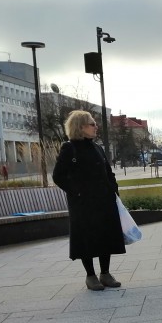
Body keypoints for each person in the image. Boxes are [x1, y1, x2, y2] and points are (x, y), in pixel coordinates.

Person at [52, 110, 124, 291]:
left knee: (106, 235)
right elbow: (58, 176)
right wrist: (77, 192)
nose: (96, 126)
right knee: (87, 238)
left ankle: (105, 273)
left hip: (104, 200)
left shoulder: (97, 147)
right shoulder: (70, 148)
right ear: (81, 127)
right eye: (92, 124)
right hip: (83, 204)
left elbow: (108, 172)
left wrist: (114, 190)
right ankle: (91, 276)